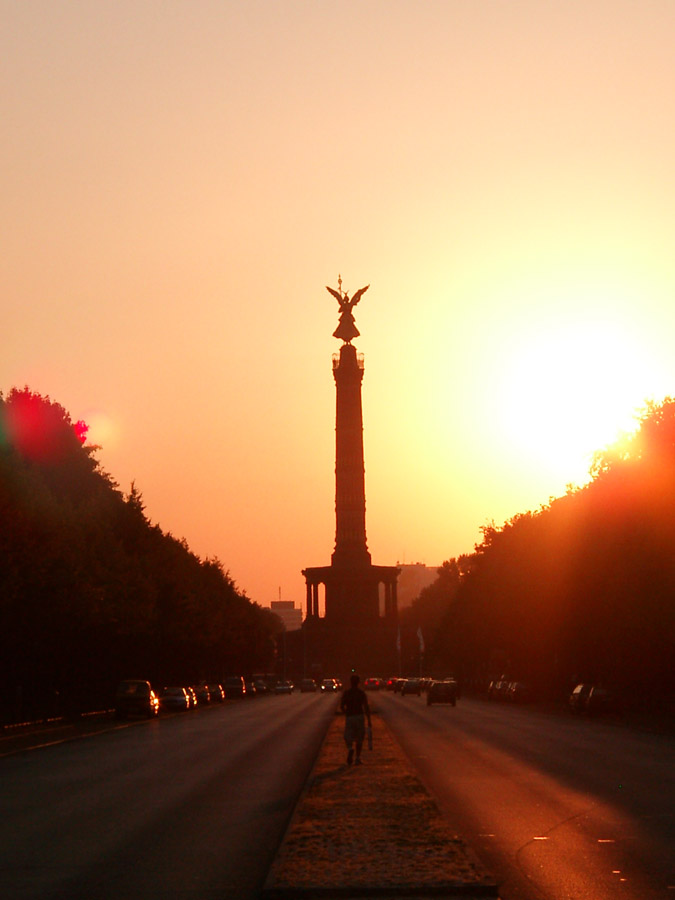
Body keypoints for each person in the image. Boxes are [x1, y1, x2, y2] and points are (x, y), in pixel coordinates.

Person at [340, 674, 371, 766]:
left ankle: (350, 748)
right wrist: (369, 719)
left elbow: (342, 706)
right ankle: (357, 758)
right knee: (359, 738)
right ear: (358, 683)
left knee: (347, 736)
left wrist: (346, 713)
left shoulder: (347, 693)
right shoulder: (361, 693)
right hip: (359, 716)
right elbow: (366, 707)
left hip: (350, 716)